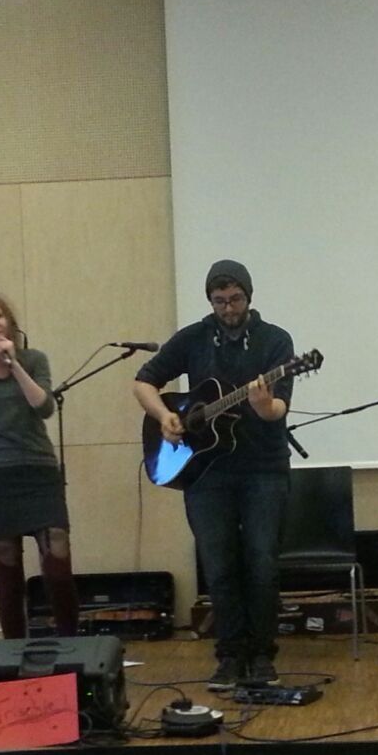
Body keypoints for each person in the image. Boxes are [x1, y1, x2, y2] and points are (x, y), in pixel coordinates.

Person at [133, 260, 294, 690]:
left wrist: (263, 405)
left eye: (235, 299)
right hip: (205, 472)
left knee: (261, 564)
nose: (228, 309)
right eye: (219, 301)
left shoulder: (276, 341)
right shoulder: (194, 337)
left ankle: (262, 656)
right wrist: (165, 416)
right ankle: (229, 656)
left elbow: (278, 409)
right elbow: (143, 382)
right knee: (219, 566)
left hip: (263, 469)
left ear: (249, 297)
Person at [0, 291, 80, 639]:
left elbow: (45, 407)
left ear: (8, 320)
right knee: (9, 581)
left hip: (40, 473)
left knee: (58, 567)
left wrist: (14, 365)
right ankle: (14, 655)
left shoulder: (34, 360)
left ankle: (71, 647)